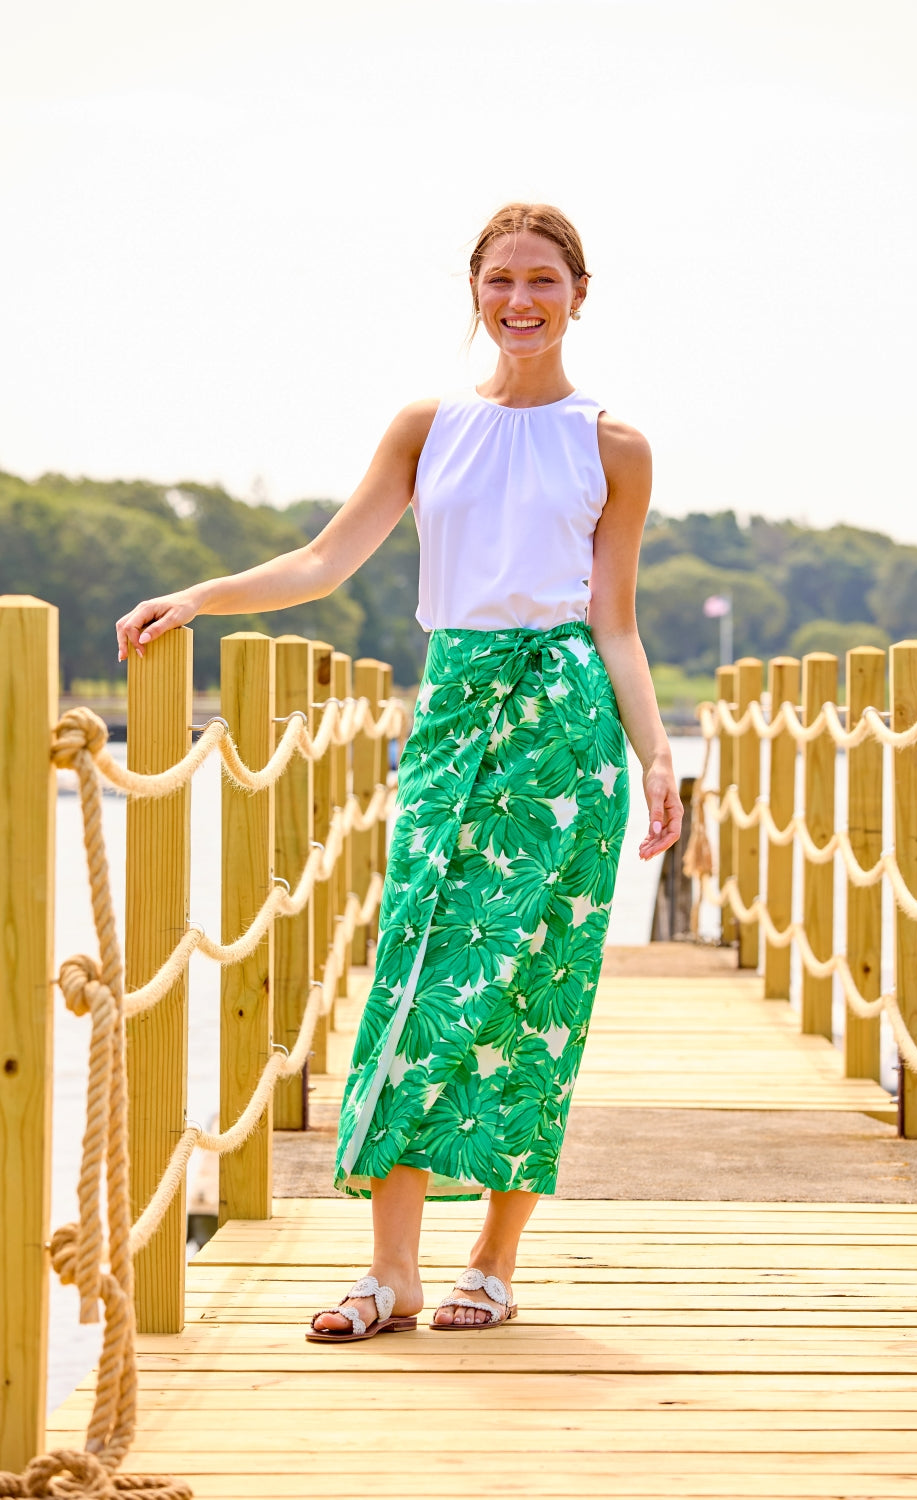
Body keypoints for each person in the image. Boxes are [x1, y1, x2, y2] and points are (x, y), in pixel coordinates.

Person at [116, 202, 683, 1338]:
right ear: (474, 292)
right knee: (414, 976)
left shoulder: (614, 444)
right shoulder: (428, 426)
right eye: (500, 280)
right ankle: (391, 1272)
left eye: (542, 280)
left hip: (564, 730)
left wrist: (658, 756)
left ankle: (493, 1257)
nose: (520, 300)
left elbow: (614, 622)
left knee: (537, 986)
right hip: (454, 706)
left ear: (579, 293)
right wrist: (200, 596)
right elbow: (328, 558)